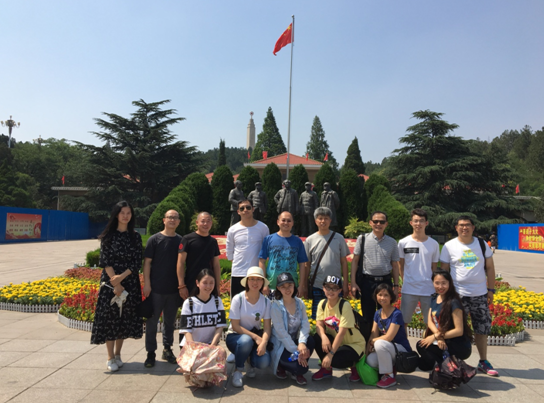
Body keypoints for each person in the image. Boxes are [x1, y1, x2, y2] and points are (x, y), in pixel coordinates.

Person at [440, 216, 498, 376]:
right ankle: (454, 360)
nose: (464, 228)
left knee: (482, 328)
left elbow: (490, 268)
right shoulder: (449, 246)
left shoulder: (482, 244)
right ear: (456, 228)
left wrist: (491, 290)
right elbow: (444, 271)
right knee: (455, 328)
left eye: (467, 225)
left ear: (473, 227)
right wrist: (444, 294)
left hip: (479, 294)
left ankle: (483, 361)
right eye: (461, 225)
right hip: (457, 295)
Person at [91, 201, 143, 372]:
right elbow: (105, 260)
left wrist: (121, 278)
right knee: (110, 319)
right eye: (122, 213)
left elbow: (136, 261)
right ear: (116, 215)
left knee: (123, 319)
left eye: (128, 213)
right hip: (110, 283)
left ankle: (118, 354)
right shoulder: (108, 236)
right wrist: (116, 282)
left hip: (129, 280)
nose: (125, 216)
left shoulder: (135, 237)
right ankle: (110, 357)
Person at [350, 211, 400, 343]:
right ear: (370, 223)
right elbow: (355, 261)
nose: (378, 224)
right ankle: (368, 344)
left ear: (386, 224)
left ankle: (385, 343)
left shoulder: (392, 242)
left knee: (386, 315)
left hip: (385, 282)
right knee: (368, 316)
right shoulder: (363, 239)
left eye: (381, 222)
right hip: (368, 282)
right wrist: (353, 283)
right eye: (375, 221)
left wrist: (396, 286)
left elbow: (395, 265)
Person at [143, 209, 183, 368]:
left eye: (175, 218)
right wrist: (147, 284)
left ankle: (167, 349)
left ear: (178, 222)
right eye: (169, 217)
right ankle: (150, 353)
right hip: (156, 289)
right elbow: (147, 263)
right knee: (152, 322)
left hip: (173, 289)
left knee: (170, 322)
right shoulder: (154, 239)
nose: (172, 220)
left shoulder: (181, 240)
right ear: (164, 220)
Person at [416, 270, 472, 372]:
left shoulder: (454, 302)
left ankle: (445, 365)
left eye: (444, 283)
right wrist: (439, 336)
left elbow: (459, 331)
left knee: (424, 347)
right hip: (443, 338)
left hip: (457, 344)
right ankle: (437, 364)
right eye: (437, 283)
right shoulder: (434, 298)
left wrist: (435, 336)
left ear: (449, 283)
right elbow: (430, 321)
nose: (440, 286)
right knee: (421, 345)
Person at [312, 275, 365, 382]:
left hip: (354, 344)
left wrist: (330, 355)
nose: (331, 291)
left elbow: (341, 333)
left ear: (340, 290)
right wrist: (324, 337)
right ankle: (326, 370)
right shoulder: (322, 304)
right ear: (323, 288)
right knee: (317, 338)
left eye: (335, 288)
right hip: (339, 344)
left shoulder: (344, 305)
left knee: (335, 360)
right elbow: (319, 325)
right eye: (328, 287)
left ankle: (354, 366)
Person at [226, 267, 272, 388]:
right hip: (235, 337)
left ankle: (249, 361)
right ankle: (238, 370)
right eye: (252, 279)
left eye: (258, 279)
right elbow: (235, 326)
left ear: (263, 282)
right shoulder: (238, 299)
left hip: (254, 339)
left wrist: (263, 343)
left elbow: (267, 328)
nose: (255, 282)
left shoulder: (266, 302)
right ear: (247, 281)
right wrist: (255, 337)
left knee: (264, 362)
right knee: (245, 340)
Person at [301, 207, 350, 319]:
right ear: (315, 221)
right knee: (317, 317)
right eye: (320, 218)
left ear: (330, 221)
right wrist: (304, 285)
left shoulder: (339, 238)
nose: (323, 221)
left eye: (326, 218)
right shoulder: (310, 240)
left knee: (336, 318)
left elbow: (344, 262)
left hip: (335, 286)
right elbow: (307, 265)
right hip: (317, 285)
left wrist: (345, 284)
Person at [270, 272, 315, 385]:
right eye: (283, 286)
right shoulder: (276, 306)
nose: (287, 289)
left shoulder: (299, 303)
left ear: (294, 285)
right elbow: (281, 333)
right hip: (282, 345)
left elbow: (305, 324)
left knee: (310, 341)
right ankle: (282, 365)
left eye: (289, 285)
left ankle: (297, 368)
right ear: (278, 288)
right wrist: (297, 350)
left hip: (295, 341)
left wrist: (302, 343)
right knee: (302, 369)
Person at [398, 208, 440, 326]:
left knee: (430, 323)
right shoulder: (403, 242)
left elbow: (434, 268)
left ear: (426, 223)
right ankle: (404, 340)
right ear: (411, 223)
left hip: (428, 289)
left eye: (421, 221)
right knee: (403, 322)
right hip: (409, 289)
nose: (418, 224)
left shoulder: (434, 244)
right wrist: (405, 280)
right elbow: (400, 265)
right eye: (415, 221)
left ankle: (428, 339)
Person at [366, 283, 412, 388]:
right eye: (380, 295)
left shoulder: (396, 314)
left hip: (401, 350)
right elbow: (373, 333)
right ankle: (391, 368)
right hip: (388, 348)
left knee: (379, 343)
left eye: (386, 295)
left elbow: (389, 337)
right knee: (370, 361)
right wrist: (367, 350)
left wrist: (373, 341)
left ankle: (389, 376)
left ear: (391, 297)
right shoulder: (377, 313)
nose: (382, 298)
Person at [226, 199, 270, 298]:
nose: (245, 210)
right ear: (238, 212)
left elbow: (266, 251)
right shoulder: (232, 230)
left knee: (257, 304)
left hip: (256, 274)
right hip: (238, 273)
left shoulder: (263, 228)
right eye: (242, 208)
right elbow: (229, 252)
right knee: (237, 303)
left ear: (253, 209)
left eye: (248, 207)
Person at [259, 211, 308, 295]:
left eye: (289, 221)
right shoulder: (268, 239)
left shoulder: (298, 241)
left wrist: (301, 285)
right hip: (272, 286)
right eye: (283, 220)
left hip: (291, 287)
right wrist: (264, 284)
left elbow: (302, 264)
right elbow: (261, 261)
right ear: (278, 222)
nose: (286, 223)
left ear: (292, 223)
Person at [177, 212, 221, 298]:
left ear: (211, 223)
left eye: (208, 221)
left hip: (208, 284)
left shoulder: (213, 242)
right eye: (203, 221)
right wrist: (181, 285)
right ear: (197, 223)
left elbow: (216, 265)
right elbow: (180, 263)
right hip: (191, 282)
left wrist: (217, 286)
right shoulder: (187, 239)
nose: (205, 224)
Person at [179, 269, 227, 347]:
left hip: (210, 344)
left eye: (211, 283)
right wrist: (194, 348)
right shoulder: (189, 302)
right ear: (197, 283)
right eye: (205, 283)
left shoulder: (217, 301)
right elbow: (186, 330)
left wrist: (212, 346)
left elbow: (220, 327)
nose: (208, 286)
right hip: (192, 345)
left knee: (222, 352)